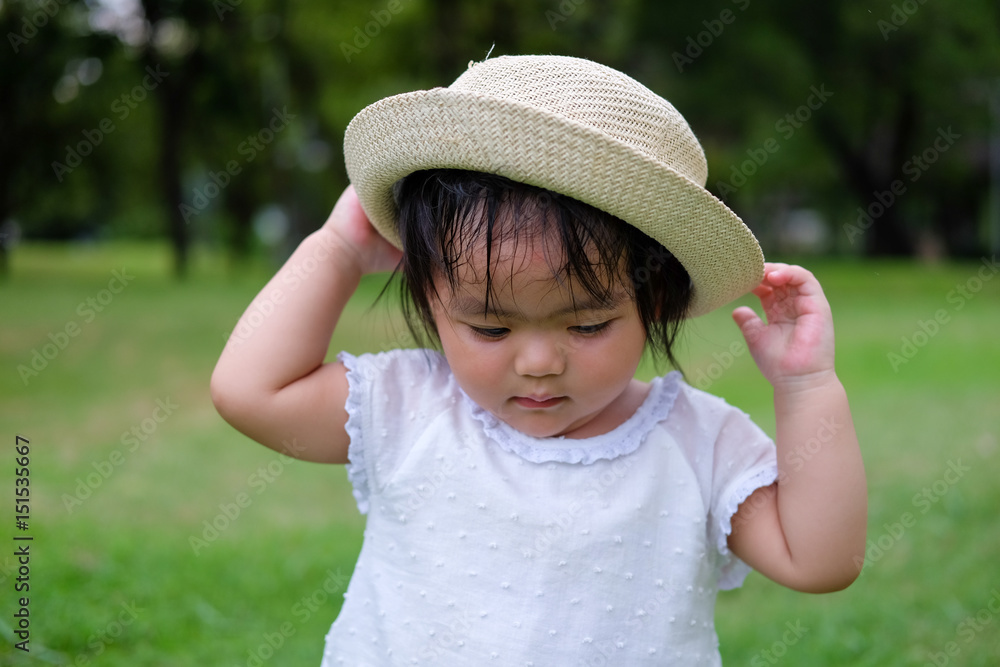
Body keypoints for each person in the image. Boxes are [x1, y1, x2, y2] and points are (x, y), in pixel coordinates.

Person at [211, 55, 867, 666]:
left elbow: (819, 559)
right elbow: (251, 391)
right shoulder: (412, 405)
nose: (538, 361)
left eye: (586, 323)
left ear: (655, 297)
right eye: (489, 327)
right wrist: (337, 249)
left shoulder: (697, 442)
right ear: (431, 301)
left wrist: (807, 385)